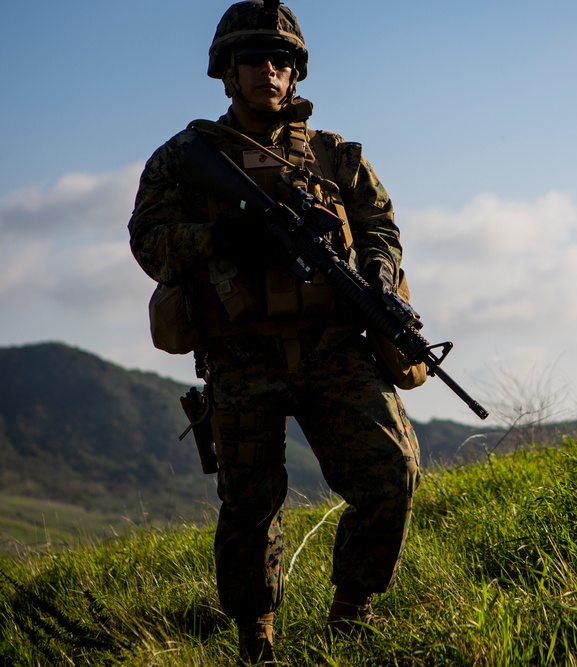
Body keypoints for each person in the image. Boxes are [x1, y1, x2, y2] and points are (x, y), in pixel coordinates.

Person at [127, 1, 421, 662]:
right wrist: (227, 235)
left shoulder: (335, 155)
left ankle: (351, 612)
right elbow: (149, 242)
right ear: (226, 73)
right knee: (250, 503)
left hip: (334, 345)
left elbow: (381, 230)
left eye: (281, 59)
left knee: (392, 471)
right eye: (253, 59)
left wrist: (376, 275)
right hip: (241, 350)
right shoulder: (184, 159)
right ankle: (254, 638)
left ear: (296, 73)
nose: (268, 69)